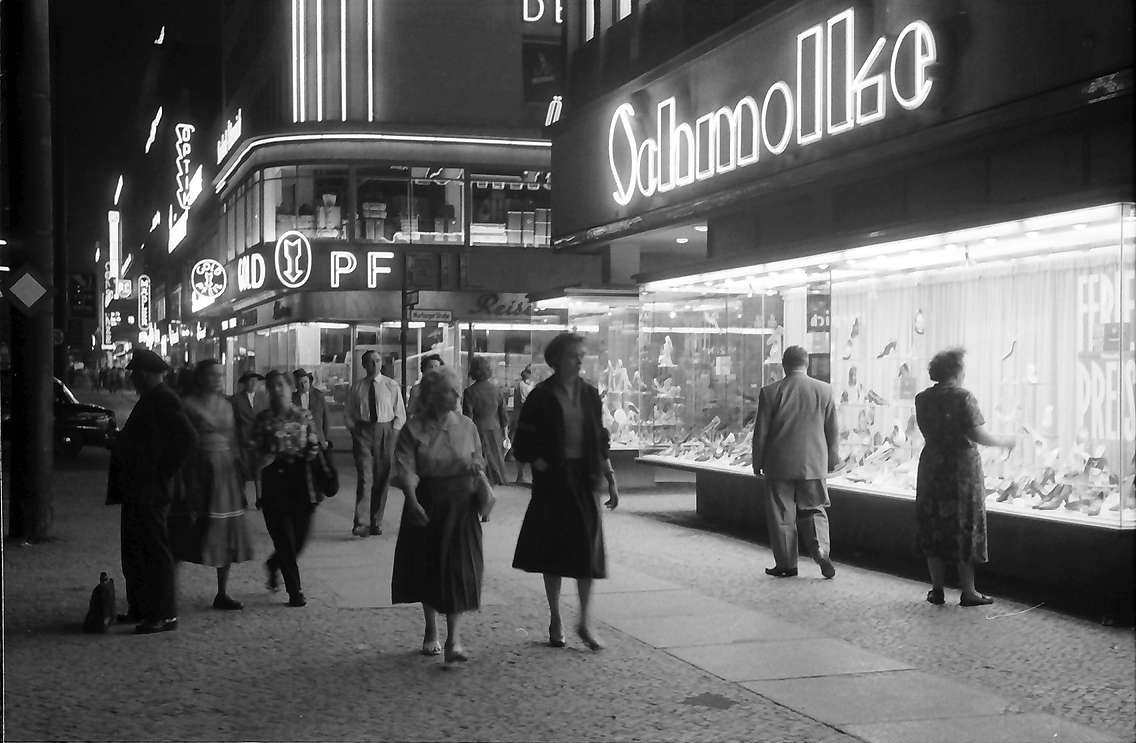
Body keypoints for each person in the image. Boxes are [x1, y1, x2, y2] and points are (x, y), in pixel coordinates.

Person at [512, 332, 619, 650]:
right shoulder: (541, 396)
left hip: (584, 479)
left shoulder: (589, 394)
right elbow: (523, 441)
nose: (580, 359)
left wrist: (609, 476)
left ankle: (585, 621)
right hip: (554, 481)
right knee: (553, 550)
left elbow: (600, 438)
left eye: (582, 354)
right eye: (574, 354)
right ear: (558, 359)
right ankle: (556, 617)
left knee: (587, 549)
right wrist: (539, 461)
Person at [391, 368, 486, 665]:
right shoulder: (413, 428)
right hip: (427, 503)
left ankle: (454, 638)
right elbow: (405, 467)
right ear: (433, 395)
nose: (457, 396)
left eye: (457, 390)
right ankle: (431, 627)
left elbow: (477, 456)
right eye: (449, 390)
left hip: (461, 504)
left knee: (458, 568)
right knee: (428, 566)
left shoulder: (467, 425)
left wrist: (476, 468)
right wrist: (411, 498)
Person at [105, 349, 197, 634]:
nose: (131, 378)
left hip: (150, 489)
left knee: (154, 550)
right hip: (139, 487)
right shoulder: (152, 398)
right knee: (135, 549)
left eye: (134, 373)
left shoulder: (164, 399)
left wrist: (162, 472)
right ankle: (142, 607)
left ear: (145, 374)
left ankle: (164, 613)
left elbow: (187, 439)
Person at [915, 347, 1015, 607]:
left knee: (933, 525)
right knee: (965, 525)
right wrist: (1005, 441)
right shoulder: (963, 397)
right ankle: (968, 591)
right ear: (957, 370)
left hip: (931, 466)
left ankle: (936, 589)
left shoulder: (922, 399)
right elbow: (978, 435)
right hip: (960, 469)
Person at [752, 345, 840, 579]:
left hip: (778, 463)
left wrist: (757, 461)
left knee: (782, 513)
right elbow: (832, 430)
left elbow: (761, 432)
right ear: (807, 363)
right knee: (814, 508)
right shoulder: (825, 390)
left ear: (784, 364)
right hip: (813, 462)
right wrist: (832, 459)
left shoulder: (770, 392)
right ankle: (821, 550)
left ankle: (786, 564)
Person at [175, 359, 255, 610]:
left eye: (220, 375)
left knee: (226, 530)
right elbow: (182, 441)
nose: (218, 379)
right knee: (188, 528)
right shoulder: (188, 405)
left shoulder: (227, 405)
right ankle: (170, 591)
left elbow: (233, 441)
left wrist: (240, 471)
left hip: (226, 473)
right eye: (213, 375)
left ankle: (222, 591)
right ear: (201, 378)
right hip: (199, 470)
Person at [253, 370, 323, 607]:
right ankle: (296, 591)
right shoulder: (263, 419)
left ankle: (274, 564)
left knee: (299, 540)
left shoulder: (303, 415)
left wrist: (311, 448)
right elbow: (255, 452)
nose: (276, 390)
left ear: (289, 387)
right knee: (284, 538)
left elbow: (314, 444)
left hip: (301, 481)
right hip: (274, 481)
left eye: (280, 385)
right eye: (271, 386)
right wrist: (258, 487)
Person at [345, 350, 406, 537]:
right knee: (365, 477)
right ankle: (361, 522)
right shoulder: (357, 388)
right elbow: (348, 413)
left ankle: (376, 521)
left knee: (382, 477)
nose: (375, 365)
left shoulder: (390, 385)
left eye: (378, 361)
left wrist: (393, 434)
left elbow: (400, 413)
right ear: (364, 365)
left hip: (385, 431)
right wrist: (355, 431)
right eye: (370, 362)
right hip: (363, 431)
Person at [463, 355, 509, 487]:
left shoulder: (469, 392)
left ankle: (481, 485)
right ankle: (494, 482)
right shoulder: (497, 391)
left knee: (480, 458)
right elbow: (503, 416)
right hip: (495, 429)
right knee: (495, 458)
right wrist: (505, 435)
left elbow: (468, 416)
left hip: (477, 429)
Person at [231, 371, 266, 506]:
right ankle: (242, 497)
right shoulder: (236, 399)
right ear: (244, 383)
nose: (253, 384)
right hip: (242, 439)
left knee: (259, 470)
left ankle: (259, 498)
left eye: (255, 381)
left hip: (258, 440)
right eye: (250, 381)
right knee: (242, 471)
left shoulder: (262, 398)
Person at [510, 365, 535, 485]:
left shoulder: (527, 385)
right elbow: (525, 400)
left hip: (524, 417)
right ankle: (520, 475)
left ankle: (521, 475)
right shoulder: (524, 385)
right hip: (523, 417)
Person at [292, 368, 330, 446]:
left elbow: (326, 418)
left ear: (309, 381)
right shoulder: (292, 398)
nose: (303, 386)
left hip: (318, 439)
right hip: (299, 440)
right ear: (296, 384)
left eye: (305, 382)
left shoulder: (319, 395)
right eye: (300, 383)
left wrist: (324, 438)